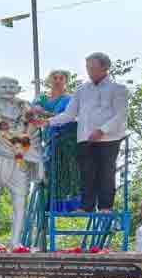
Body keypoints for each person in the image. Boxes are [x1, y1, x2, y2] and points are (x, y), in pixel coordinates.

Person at [45, 52, 129, 212]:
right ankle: (86, 206)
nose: (90, 70)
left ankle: (105, 206)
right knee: (86, 173)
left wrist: (102, 130)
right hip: (84, 138)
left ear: (105, 68)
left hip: (108, 138)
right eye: (88, 67)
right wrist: (47, 122)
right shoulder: (81, 89)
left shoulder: (118, 89)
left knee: (106, 172)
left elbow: (121, 115)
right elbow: (69, 114)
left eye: (93, 67)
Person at [34, 69, 81, 206]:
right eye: (55, 78)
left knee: (70, 172)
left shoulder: (70, 99)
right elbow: (33, 110)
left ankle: (72, 204)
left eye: (61, 78)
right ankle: (50, 205)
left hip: (67, 139)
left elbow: (69, 117)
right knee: (50, 171)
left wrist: (46, 114)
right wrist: (41, 112)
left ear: (66, 81)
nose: (58, 81)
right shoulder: (42, 98)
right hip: (50, 138)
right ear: (50, 80)